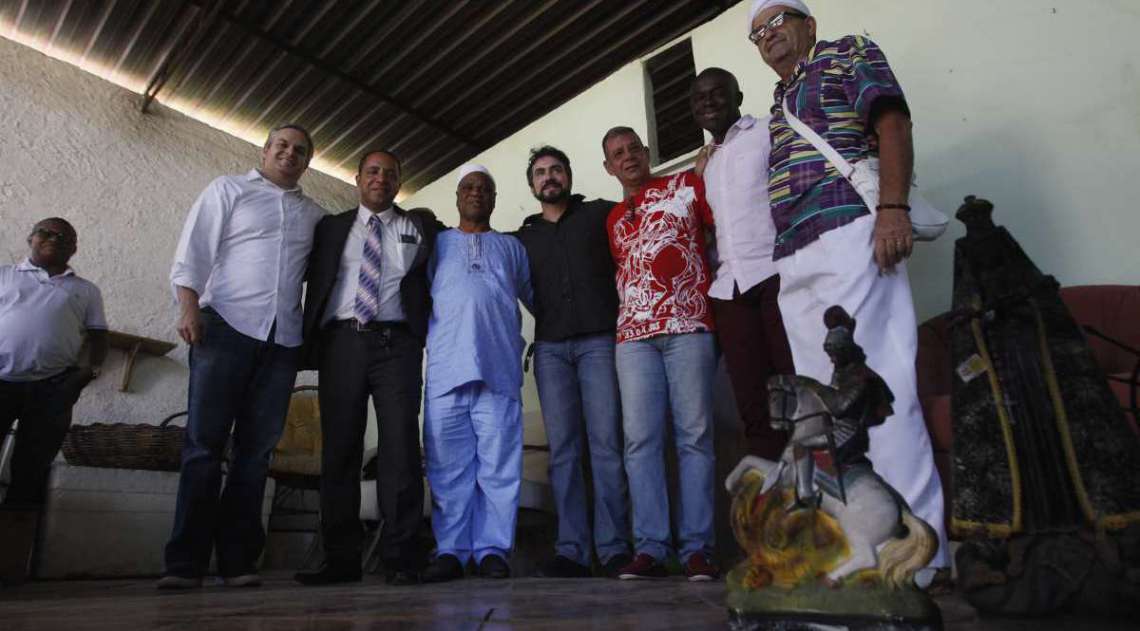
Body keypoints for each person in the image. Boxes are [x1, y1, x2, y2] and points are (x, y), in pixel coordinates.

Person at [747, 0, 949, 571]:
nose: (768, 36)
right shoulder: (779, 102)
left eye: (777, 22)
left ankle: (920, 563)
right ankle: (859, 559)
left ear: (808, 25)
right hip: (795, 257)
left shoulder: (845, 53)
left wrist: (892, 208)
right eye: (757, 33)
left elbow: (892, 123)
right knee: (824, 419)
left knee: (879, 392)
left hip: (849, 236)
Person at [162, 124, 327, 588]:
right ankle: (184, 564)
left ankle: (237, 561)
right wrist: (188, 307)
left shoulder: (313, 214)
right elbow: (193, 250)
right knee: (203, 445)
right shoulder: (227, 189)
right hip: (225, 328)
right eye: (282, 146)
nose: (289, 154)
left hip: (281, 343)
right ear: (266, 149)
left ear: (307, 162)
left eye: (299, 151)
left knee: (255, 453)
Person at [295, 150, 445, 586]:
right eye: (373, 171)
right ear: (358, 178)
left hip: (398, 345)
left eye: (391, 174)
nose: (381, 178)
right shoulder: (330, 228)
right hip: (342, 342)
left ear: (399, 184)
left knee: (400, 447)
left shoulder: (420, 226)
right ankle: (340, 559)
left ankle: (402, 557)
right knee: (340, 448)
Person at [602, 127, 719, 581]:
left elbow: (718, 230)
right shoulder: (613, 218)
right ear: (608, 167)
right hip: (632, 339)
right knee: (640, 442)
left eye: (633, 148)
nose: (628, 157)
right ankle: (650, 547)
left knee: (694, 437)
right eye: (618, 154)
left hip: (689, 327)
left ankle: (698, 549)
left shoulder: (687, 185)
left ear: (647, 153)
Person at [513, 146, 631, 578]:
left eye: (556, 170)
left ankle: (615, 548)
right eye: (540, 173)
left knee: (606, 447)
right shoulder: (522, 238)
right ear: (532, 185)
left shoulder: (600, 214)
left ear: (569, 175)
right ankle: (572, 550)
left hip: (600, 342)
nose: (549, 177)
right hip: (549, 351)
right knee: (563, 453)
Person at [420, 165, 533, 583]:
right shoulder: (438, 246)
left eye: (485, 188)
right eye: (468, 187)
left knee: (499, 467)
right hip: (447, 370)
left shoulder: (511, 247)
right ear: (457, 197)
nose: (476, 194)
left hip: (499, 370)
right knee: (448, 470)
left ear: (494, 199)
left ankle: (492, 551)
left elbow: (533, 297)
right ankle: (450, 550)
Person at [690, 67, 795, 460]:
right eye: (699, 98)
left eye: (718, 93)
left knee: (799, 392)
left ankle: (817, 500)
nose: (708, 102)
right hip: (730, 290)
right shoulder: (706, 164)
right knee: (753, 404)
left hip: (776, 275)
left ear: (738, 95)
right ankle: (775, 506)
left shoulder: (768, 130)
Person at [0, 218, 107, 508]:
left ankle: (15, 532)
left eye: (63, 237)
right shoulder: (4, 275)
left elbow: (99, 336)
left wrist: (88, 372)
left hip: (53, 387)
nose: (53, 239)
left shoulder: (86, 290)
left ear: (73, 248)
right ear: (30, 238)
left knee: (33, 465)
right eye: (45, 232)